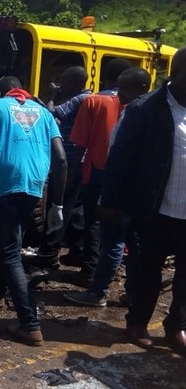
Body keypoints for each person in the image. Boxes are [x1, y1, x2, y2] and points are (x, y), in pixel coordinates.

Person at [0, 76, 67, 346]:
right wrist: (57, 203)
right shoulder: (44, 112)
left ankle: (30, 324)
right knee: (12, 240)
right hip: (35, 184)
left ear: (1, 92)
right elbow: (60, 158)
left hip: (7, 184)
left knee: (10, 252)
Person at [100, 47, 186, 352]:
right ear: (176, 73)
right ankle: (137, 323)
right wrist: (110, 202)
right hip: (154, 209)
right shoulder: (145, 109)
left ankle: (175, 326)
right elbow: (120, 158)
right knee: (147, 273)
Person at [63, 67, 151, 307]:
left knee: (111, 239)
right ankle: (133, 292)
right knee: (133, 242)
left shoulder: (132, 114)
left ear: (140, 89)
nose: (119, 93)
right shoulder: (150, 113)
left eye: (124, 89)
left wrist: (104, 192)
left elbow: (117, 157)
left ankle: (97, 291)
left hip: (113, 183)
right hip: (138, 189)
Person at [66, 58, 132, 282]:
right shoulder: (141, 104)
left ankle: (91, 269)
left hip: (96, 169)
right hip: (127, 173)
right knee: (124, 222)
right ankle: (117, 269)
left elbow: (80, 143)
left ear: (106, 77)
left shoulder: (93, 101)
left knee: (93, 220)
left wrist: (72, 172)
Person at [36, 66, 91, 270]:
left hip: (68, 159)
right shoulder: (85, 98)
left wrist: (52, 95)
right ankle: (77, 251)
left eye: (64, 81)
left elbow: (51, 114)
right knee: (75, 209)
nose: (61, 85)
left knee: (58, 204)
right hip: (76, 158)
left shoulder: (79, 99)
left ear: (75, 83)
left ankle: (48, 254)